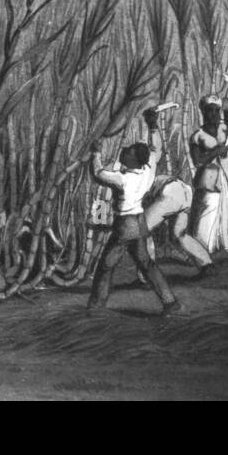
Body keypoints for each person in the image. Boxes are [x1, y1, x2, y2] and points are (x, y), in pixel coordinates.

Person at [88, 128, 180, 315]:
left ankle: (97, 306)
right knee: (146, 263)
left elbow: (98, 173)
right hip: (139, 223)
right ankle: (170, 302)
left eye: (128, 152)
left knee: (106, 265)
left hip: (125, 226)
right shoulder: (147, 171)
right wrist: (153, 127)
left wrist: (96, 153)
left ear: (135, 160)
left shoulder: (123, 179)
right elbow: (154, 152)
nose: (124, 151)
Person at [140, 106, 214, 277]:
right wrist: (152, 126)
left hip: (169, 195)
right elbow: (156, 148)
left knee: (141, 232)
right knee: (178, 235)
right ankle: (206, 264)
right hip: (183, 191)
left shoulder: (131, 172)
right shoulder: (147, 162)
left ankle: (146, 277)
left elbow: (155, 148)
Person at [189, 95, 228, 266]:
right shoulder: (197, 136)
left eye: (217, 110)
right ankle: (203, 253)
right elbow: (198, 161)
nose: (213, 114)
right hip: (209, 178)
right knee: (208, 212)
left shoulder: (227, 129)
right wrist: (217, 151)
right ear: (203, 112)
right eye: (210, 110)